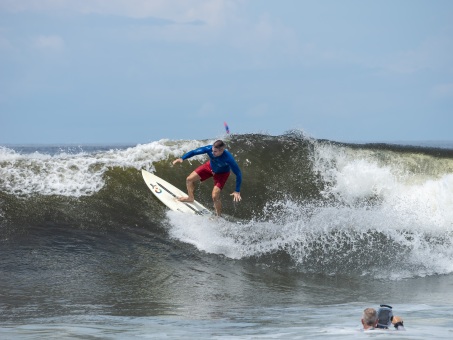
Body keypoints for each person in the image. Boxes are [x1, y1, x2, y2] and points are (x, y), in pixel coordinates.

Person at [172, 140, 242, 217]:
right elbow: (194, 152)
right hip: (209, 167)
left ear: (221, 150)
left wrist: (237, 191)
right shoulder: (209, 149)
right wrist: (182, 158)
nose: (212, 153)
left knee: (215, 196)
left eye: (215, 151)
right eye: (212, 150)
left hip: (222, 174)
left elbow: (238, 173)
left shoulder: (228, 158)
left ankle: (218, 216)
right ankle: (190, 198)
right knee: (189, 179)